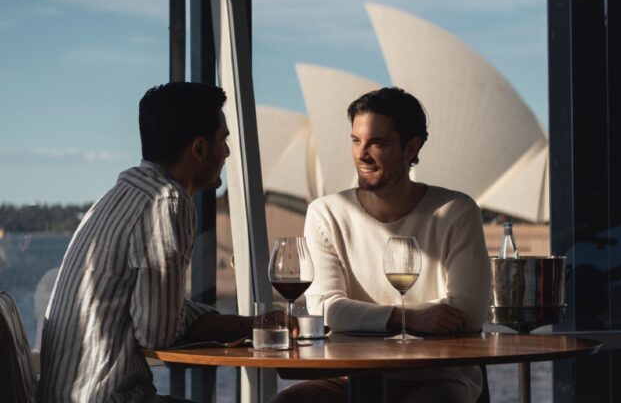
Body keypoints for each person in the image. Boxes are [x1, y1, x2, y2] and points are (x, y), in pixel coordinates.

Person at [274, 87, 491, 403]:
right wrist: (409, 318)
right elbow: (324, 308)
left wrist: (361, 316)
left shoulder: (456, 211)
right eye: (356, 141)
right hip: (349, 377)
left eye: (377, 143)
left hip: (436, 377)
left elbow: (467, 313)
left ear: (410, 147)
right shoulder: (326, 213)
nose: (362, 154)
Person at [37, 82, 252, 402]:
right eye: (224, 140)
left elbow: (156, 311)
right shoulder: (167, 203)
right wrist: (243, 326)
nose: (228, 152)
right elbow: (158, 332)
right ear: (200, 149)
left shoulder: (120, 195)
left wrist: (238, 324)